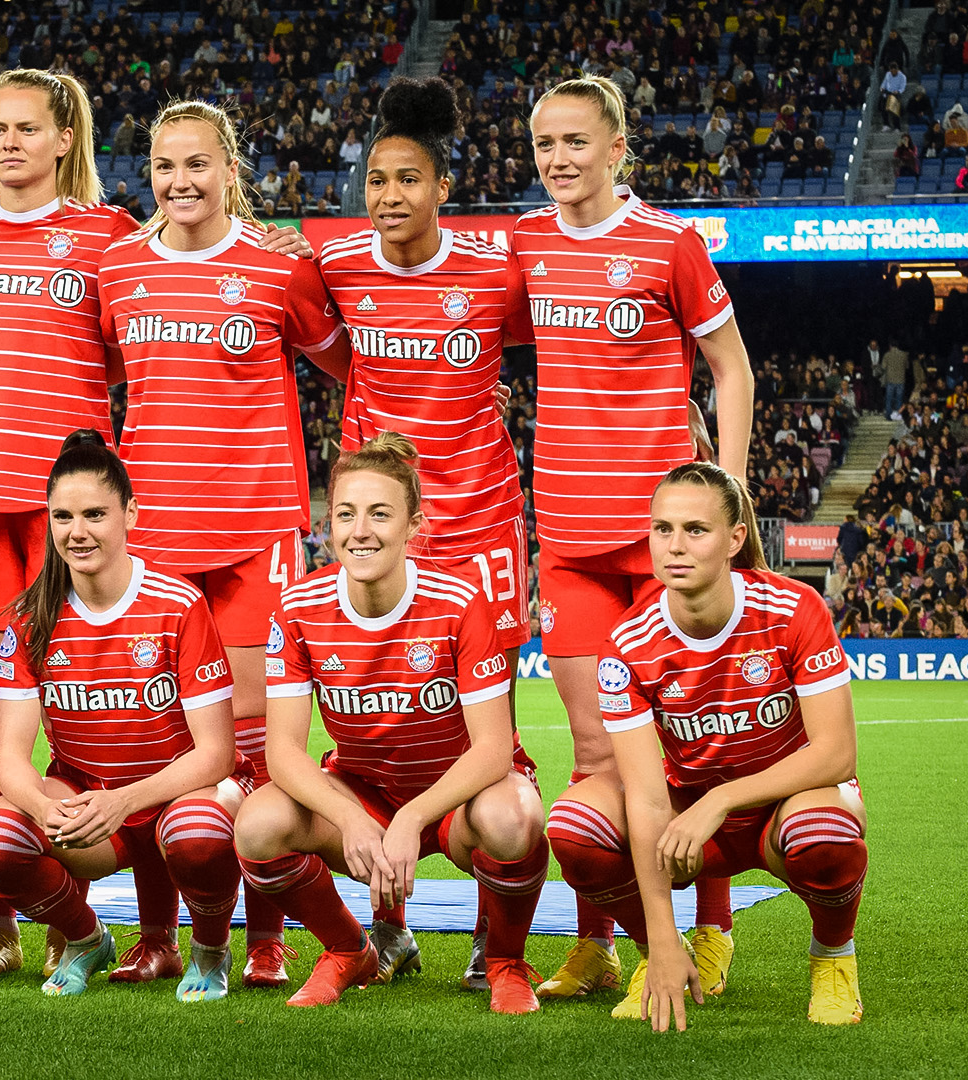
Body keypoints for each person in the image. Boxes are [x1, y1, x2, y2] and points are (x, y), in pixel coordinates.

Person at [0, 68, 310, 980]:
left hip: (88, 510)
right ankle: (15, 925)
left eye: (29, 127)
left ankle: (254, 938)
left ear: (68, 138)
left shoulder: (108, 240)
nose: (10, 142)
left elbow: (325, 334)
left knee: (231, 736)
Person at [98, 98, 351, 990]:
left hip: (255, 531)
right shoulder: (120, 269)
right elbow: (102, 374)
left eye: (198, 164)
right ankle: (161, 933)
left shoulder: (279, 269)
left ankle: (271, 936)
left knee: (251, 750)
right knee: (159, 739)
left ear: (231, 169)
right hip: (156, 536)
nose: (180, 182)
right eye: (165, 167)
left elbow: (349, 366)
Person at [514, 74, 755, 1002]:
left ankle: (714, 930)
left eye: (577, 143)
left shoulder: (668, 243)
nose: (559, 161)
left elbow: (730, 368)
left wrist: (722, 486)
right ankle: (599, 942)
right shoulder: (527, 243)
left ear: (619, 149)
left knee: (688, 754)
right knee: (596, 757)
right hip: (569, 539)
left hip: (667, 542)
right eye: (545, 145)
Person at [316, 75, 534, 990]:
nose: (390, 197)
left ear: (443, 186)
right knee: (374, 720)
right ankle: (389, 926)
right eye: (377, 181)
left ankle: (495, 932)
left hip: (480, 522)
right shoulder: (336, 267)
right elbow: (331, 355)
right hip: (380, 527)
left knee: (491, 731)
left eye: (408, 179)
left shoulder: (494, 270)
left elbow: (556, 343)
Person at [233, 434, 548, 1011]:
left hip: (458, 796)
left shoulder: (460, 602)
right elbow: (282, 752)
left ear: (414, 527)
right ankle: (351, 949)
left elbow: (494, 748)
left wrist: (414, 815)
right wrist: (351, 817)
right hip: (365, 792)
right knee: (258, 824)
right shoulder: (298, 608)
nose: (361, 531)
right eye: (346, 514)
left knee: (514, 818)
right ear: (328, 525)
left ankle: (504, 959)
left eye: (380, 514)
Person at [548, 463, 865, 1028]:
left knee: (823, 834)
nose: (674, 546)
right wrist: (663, 939)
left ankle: (833, 958)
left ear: (735, 538)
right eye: (661, 529)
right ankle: (662, 957)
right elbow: (645, 797)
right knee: (576, 826)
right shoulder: (626, 645)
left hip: (784, 807)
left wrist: (719, 801)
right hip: (688, 817)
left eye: (696, 529)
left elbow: (836, 755)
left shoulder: (796, 609)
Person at [0, 431, 249, 1001]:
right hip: (88, 796)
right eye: (63, 516)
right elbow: (13, 762)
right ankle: (86, 937)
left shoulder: (179, 605)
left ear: (130, 513)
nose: (78, 532)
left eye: (95, 514)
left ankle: (210, 950)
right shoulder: (31, 620)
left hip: (180, 792)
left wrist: (125, 799)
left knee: (197, 833)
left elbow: (217, 753)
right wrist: (47, 808)